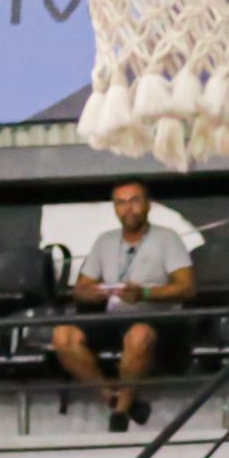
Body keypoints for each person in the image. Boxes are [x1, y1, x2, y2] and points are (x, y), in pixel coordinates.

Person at [52, 180, 196, 432]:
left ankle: (120, 414)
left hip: (157, 318)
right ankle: (111, 398)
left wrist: (145, 293)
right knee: (62, 336)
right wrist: (92, 293)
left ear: (148, 205)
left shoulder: (167, 238)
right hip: (113, 316)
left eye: (134, 201)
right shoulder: (105, 241)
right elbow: (80, 289)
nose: (128, 209)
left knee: (139, 334)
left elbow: (187, 287)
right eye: (121, 203)